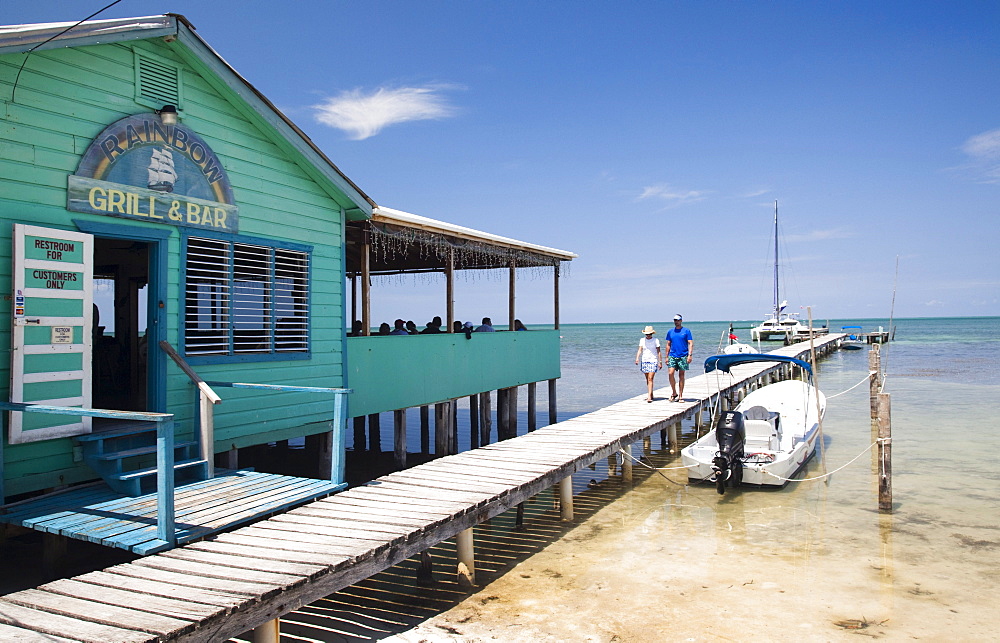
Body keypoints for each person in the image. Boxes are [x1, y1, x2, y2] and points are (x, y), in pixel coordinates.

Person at [665, 314, 693, 402]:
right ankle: (674, 392)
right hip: (672, 355)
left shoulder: (686, 331)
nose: (676, 322)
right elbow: (668, 344)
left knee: (681, 375)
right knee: (670, 373)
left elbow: (690, 343)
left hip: (683, 355)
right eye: (675, 320)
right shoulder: (670, 332)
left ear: (681, 320)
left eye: (678, 320)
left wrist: (690, 355)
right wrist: (666, 357)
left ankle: (680, 395)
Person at [634, 326, 661, 403]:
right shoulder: (642, 340)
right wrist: (637, 358)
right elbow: (640, 350)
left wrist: (660, 362)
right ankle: (651, 393)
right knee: (647, 379)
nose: (648, 335)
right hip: (645, 360)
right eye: (647, 334)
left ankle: (649, 396)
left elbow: (659, 352)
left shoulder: (656, 340)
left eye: (649, 334)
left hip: (653, 360)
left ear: (652, 333)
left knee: (650, 378)